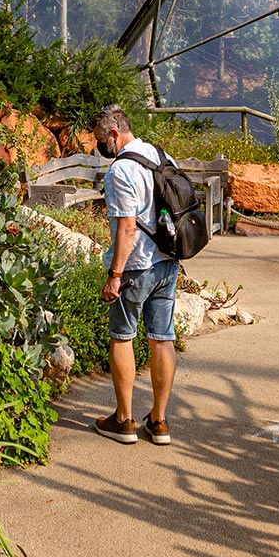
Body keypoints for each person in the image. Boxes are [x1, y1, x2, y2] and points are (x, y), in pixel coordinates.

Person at [91, 104, 177, 446]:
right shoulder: (158, 153)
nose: (100, 147)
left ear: (114, 133)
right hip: (168, 261)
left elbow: (126, 227)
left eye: (101, 139)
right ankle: (158, 422)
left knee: (122, 336)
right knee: (162, 337)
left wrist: (115, 274)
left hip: (136, 266)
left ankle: (124, 420)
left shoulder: (120, 171)